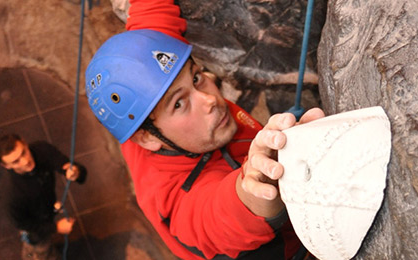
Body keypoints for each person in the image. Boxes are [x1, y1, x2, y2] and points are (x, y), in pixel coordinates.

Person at [84, 0, 325, 259]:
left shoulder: (142, 111)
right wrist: (257, 182)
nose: (209, 100)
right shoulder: (172, 200)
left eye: (196, 78)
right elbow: (215, 217)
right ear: (145, 138)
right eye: (179, 104)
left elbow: (151, 21)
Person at [0, 134, 87, 260]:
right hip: (35, 225)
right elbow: (24, 224)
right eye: (16, 161)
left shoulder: (42, 150)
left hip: (45, 209)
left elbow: (69, 167)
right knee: (40, 248)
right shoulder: (10, 194)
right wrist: (56, 227)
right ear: (6, 166)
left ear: (25, 143)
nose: (26, 161)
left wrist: (75, 171)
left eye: (24, 152)